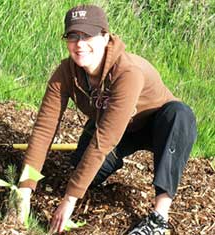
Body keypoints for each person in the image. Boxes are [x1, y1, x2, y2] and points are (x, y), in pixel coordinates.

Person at [17, 4, 197, 235]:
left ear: (105, 37)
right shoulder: (65, 73)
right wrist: (25, 188)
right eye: (73, 36)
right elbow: (44, 129)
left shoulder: (127, 72)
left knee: (179, 114)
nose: (80, 44)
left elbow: (104, 139)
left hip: (158, 125)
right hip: (113, 125)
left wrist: (69, 200)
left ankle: (159, 217)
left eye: (87, 35)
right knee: (80, 172)